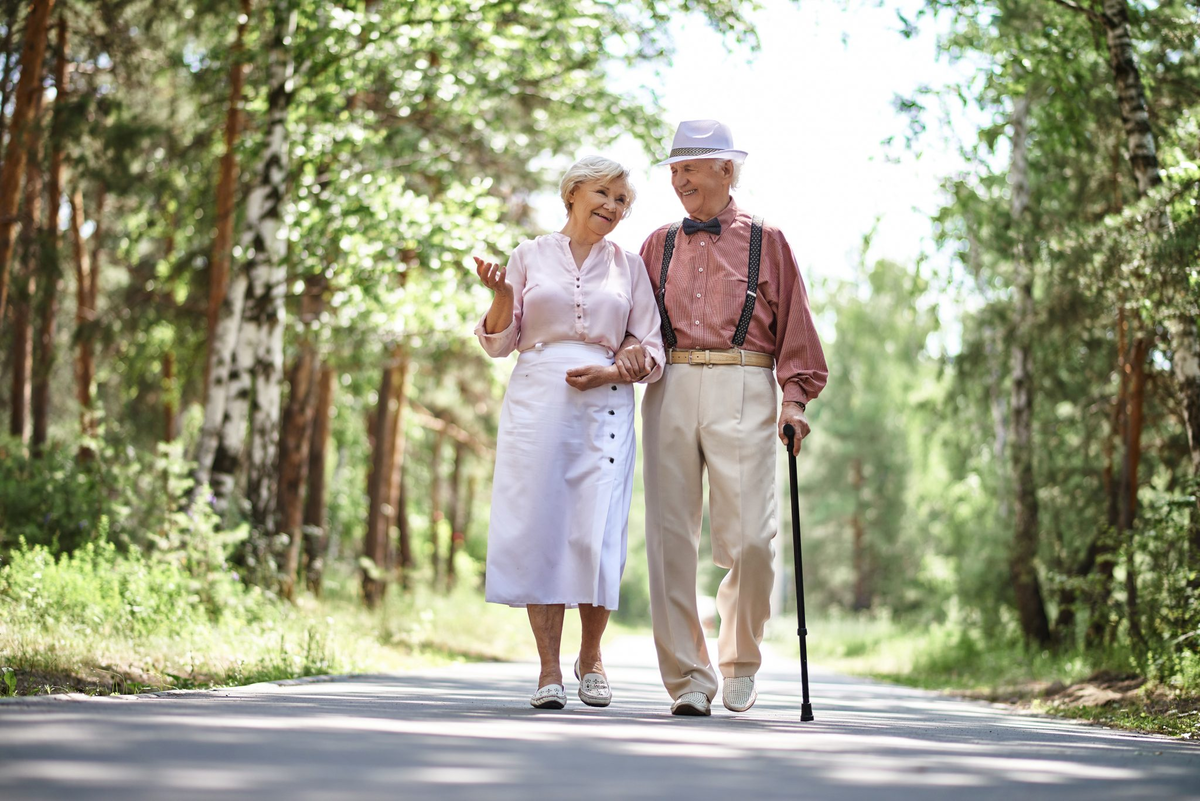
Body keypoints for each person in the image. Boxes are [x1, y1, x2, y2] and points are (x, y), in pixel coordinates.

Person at [635, 119, 828, 716]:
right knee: (669, 540)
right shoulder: (655, 243)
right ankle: (688, 679)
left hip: (745, 380)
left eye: (690, 166)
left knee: (749, 538)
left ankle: (740, 659)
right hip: (668, 383)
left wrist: (794, 400)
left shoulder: (768, 239)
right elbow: (632, 323)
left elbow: (796, 323)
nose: (679, 178)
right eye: (674, 168)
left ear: (726, 169)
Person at [474, 155, 665, 710]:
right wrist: (504, 299)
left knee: (597, 529)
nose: (612, 207)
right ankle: (548, 669)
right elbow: (499, 342)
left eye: (622, 200)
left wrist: (620, 364)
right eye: (603, 194)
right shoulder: (529, 254)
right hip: (537, 399)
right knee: (542, 525)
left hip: (605, 402)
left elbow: (651, 347)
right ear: (573, 193)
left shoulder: (629, 267)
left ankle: (593, 657)